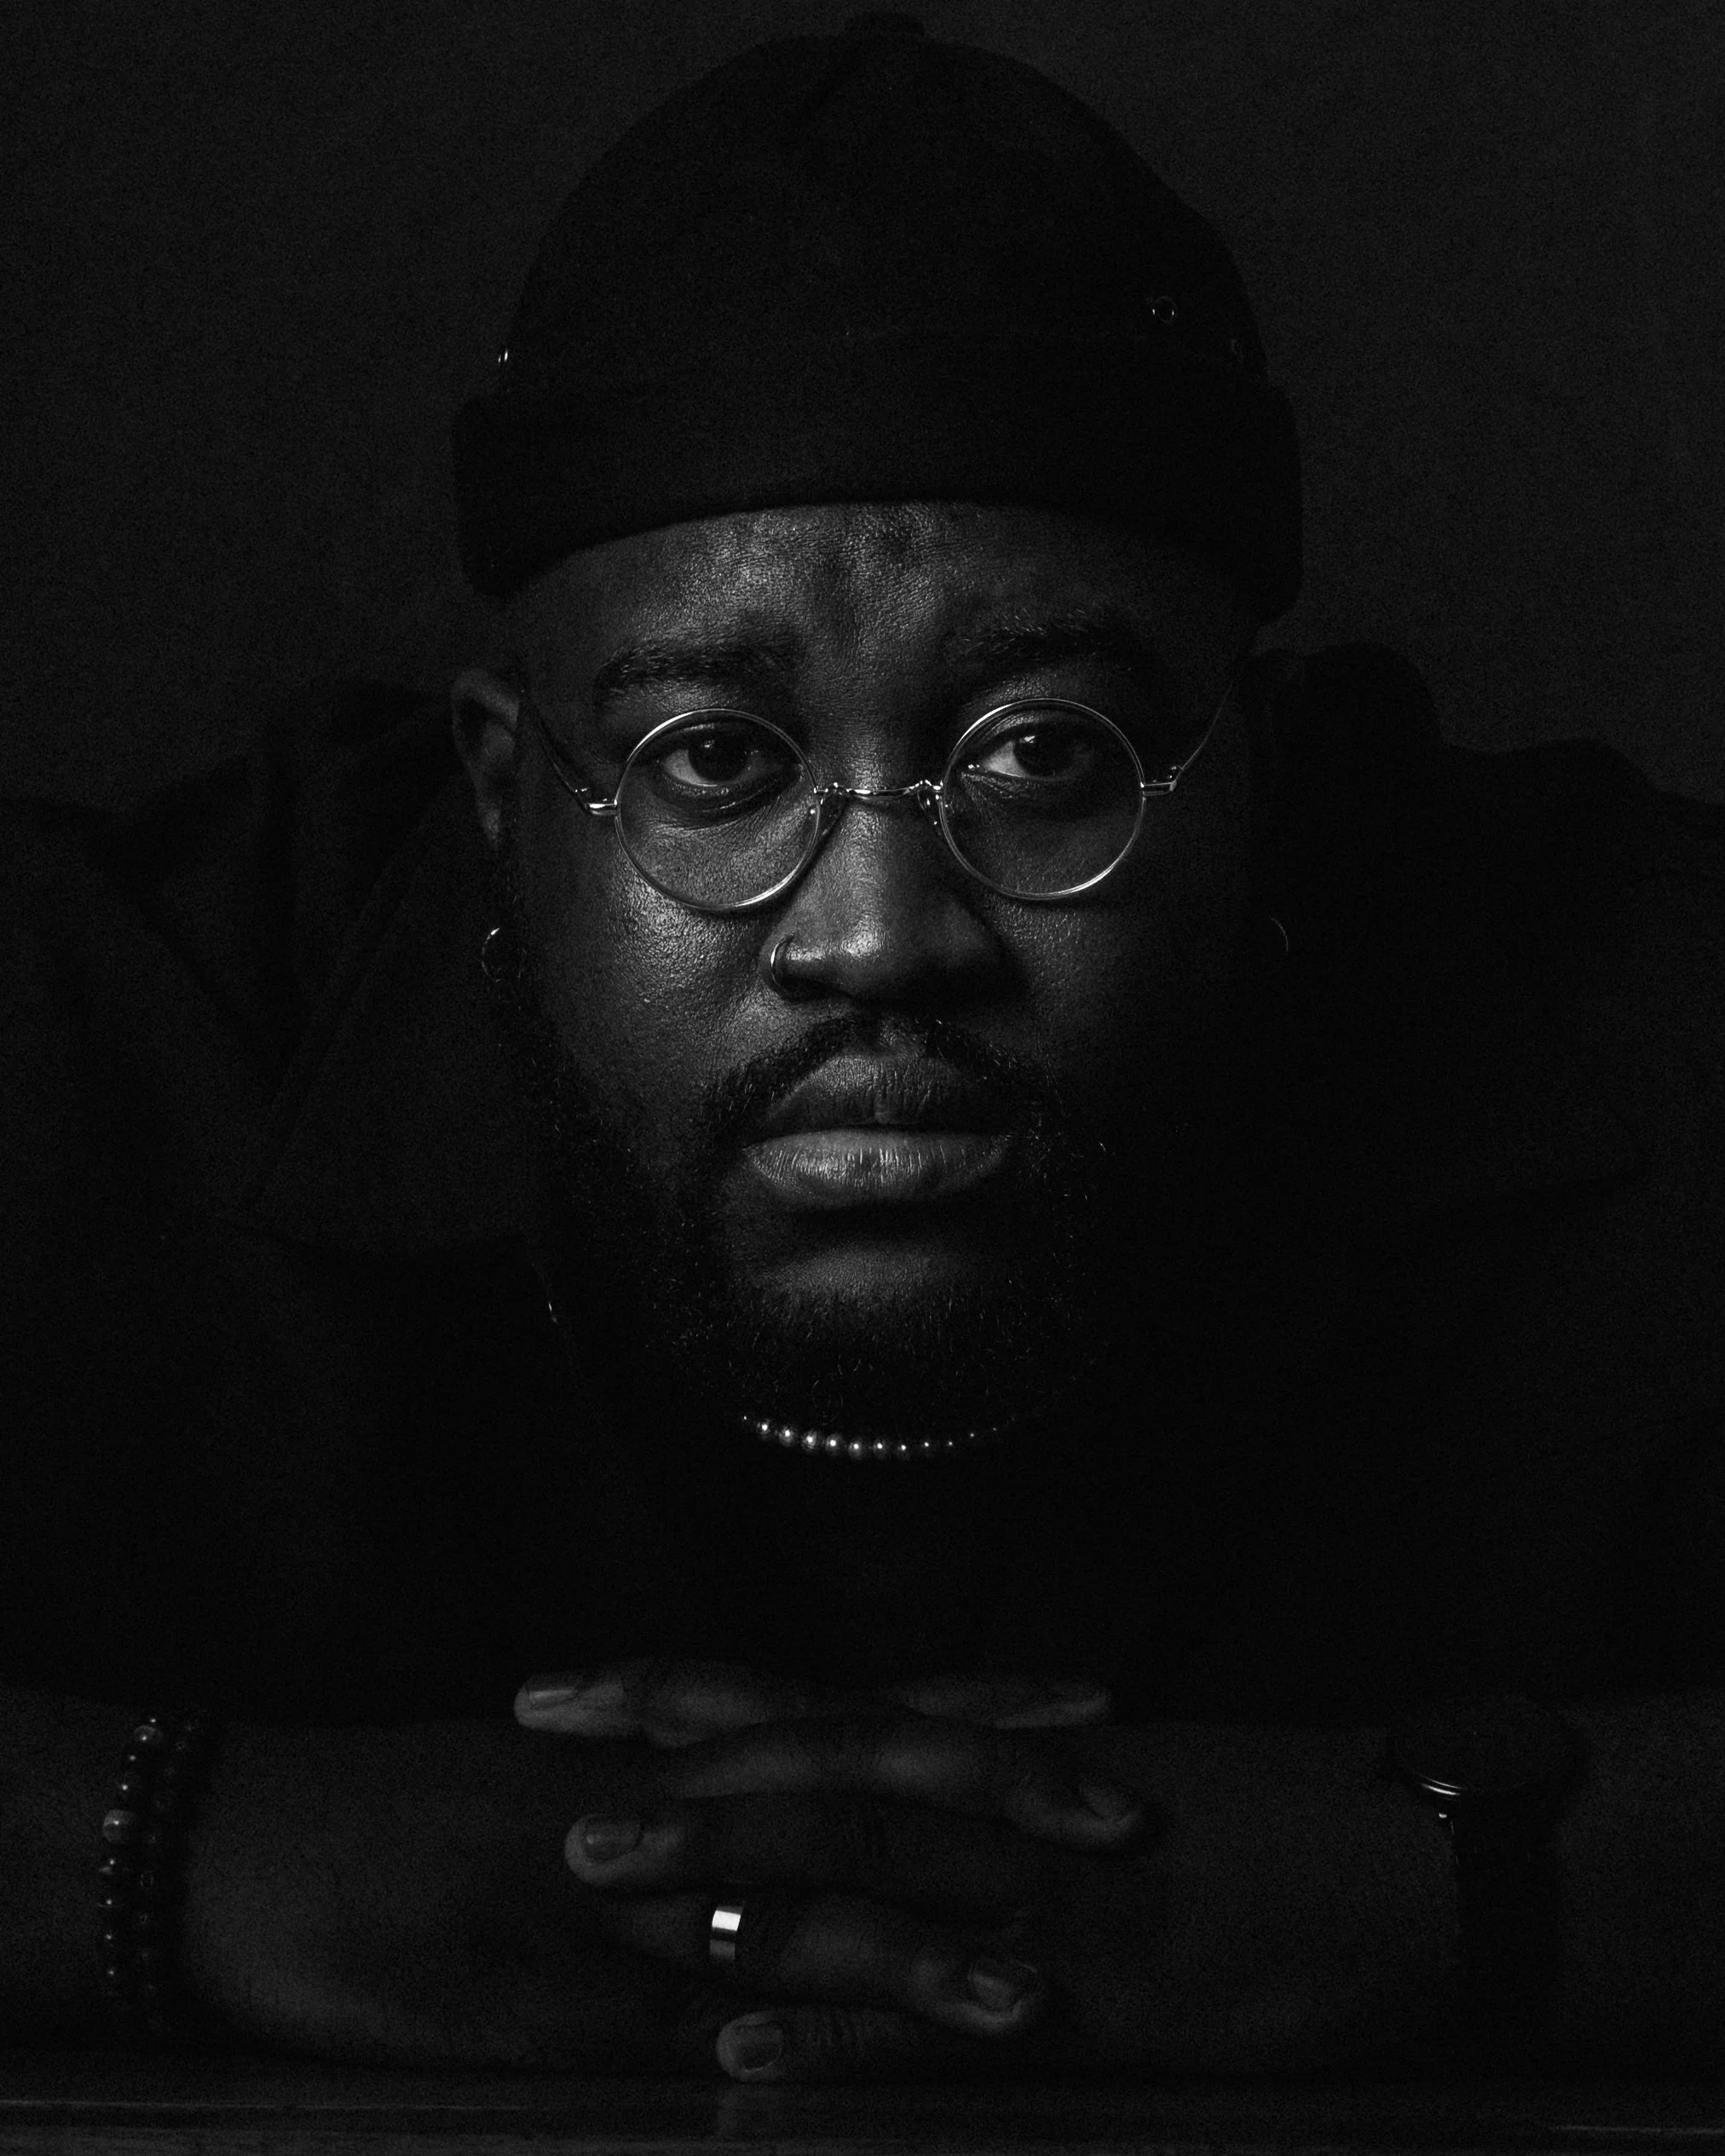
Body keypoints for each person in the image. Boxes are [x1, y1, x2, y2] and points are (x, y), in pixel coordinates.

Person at [3, 14, 1722, 2087]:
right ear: (502, 789)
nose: (879, 933)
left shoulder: (1638, 1005)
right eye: (712, 761)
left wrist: (1451, 1875)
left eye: (1045, 755)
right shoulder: (116, 1031)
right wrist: (192, 1854)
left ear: (1255, 775)